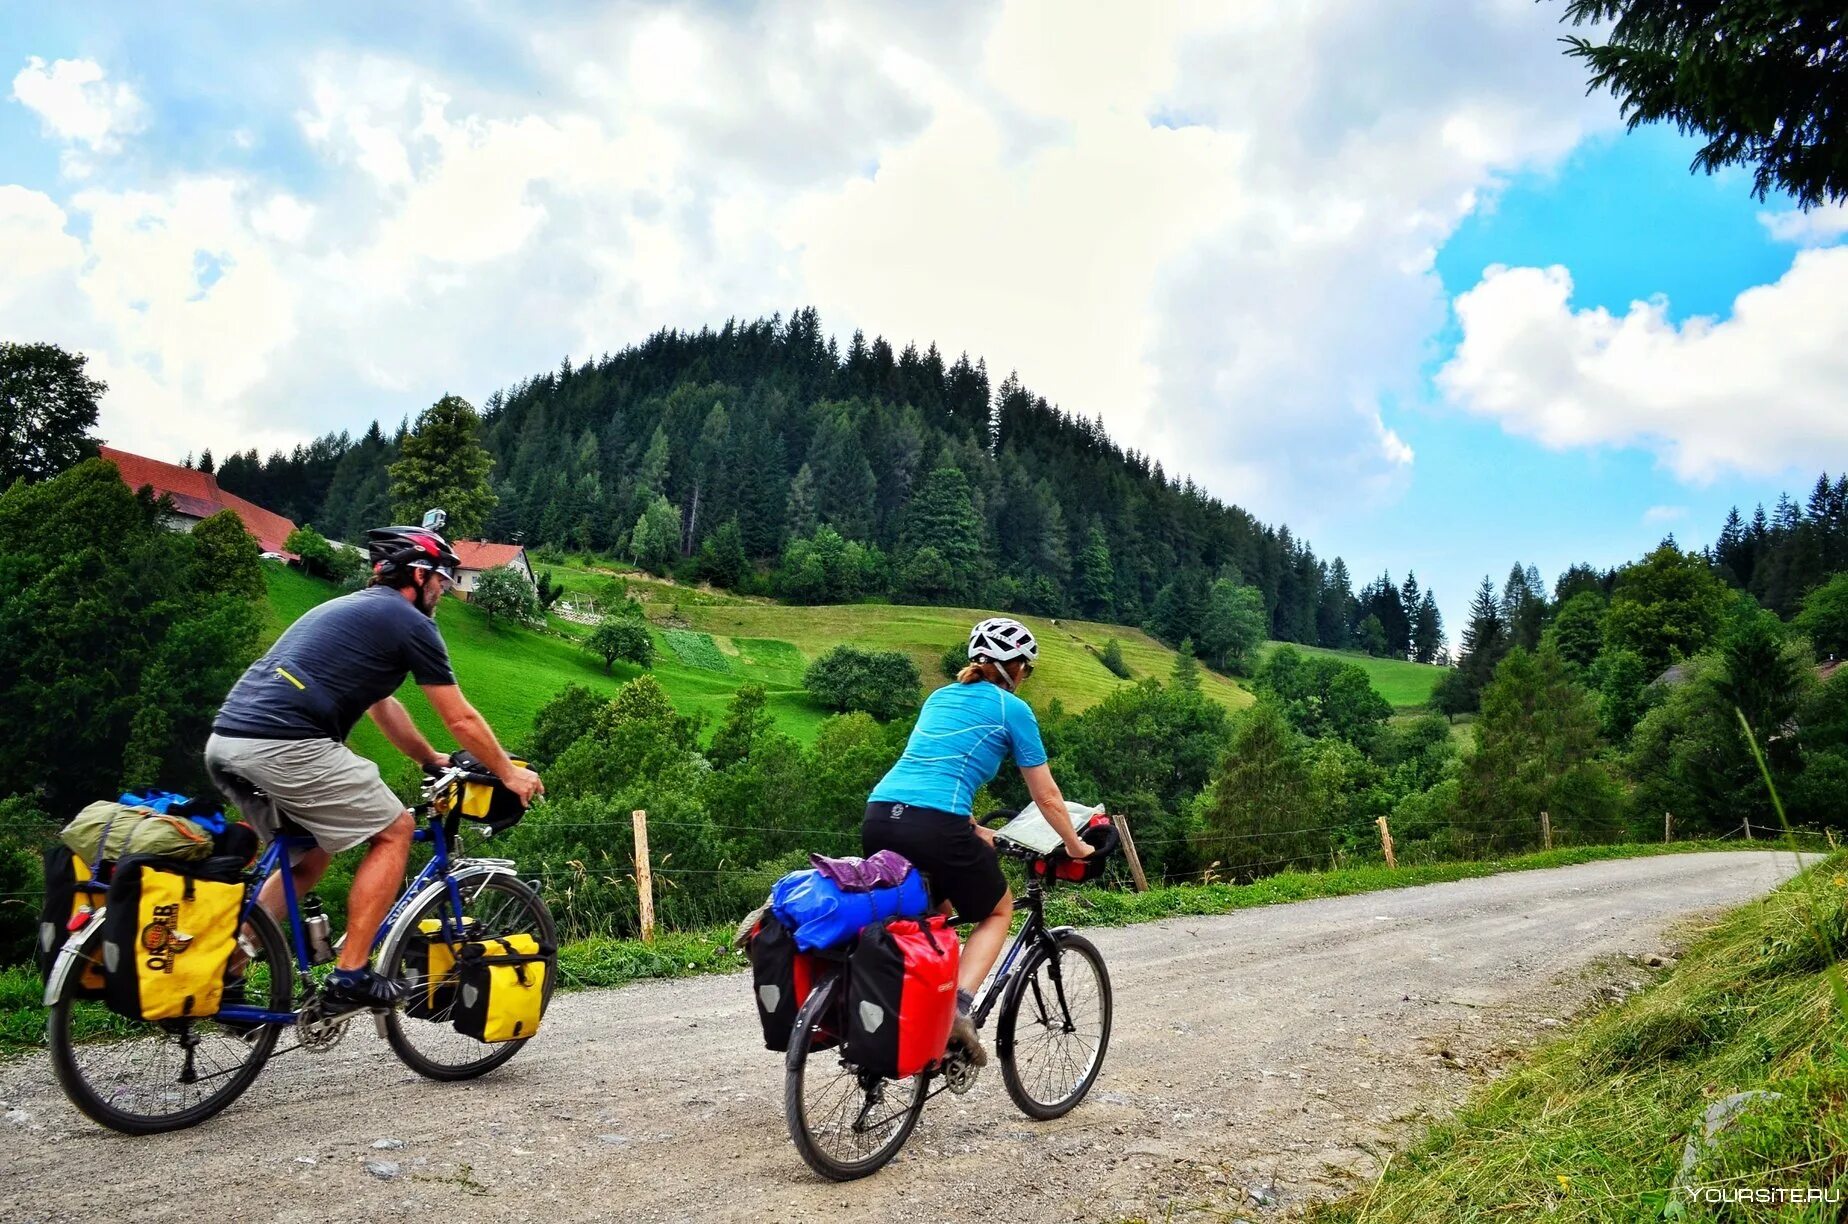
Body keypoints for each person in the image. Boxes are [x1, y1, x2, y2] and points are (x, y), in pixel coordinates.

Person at [204, 521, 543, 1011]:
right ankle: (350, 976)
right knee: (395, 830)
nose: (445, 589)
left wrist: (428, 758)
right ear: (418, 575)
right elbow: (460, 718)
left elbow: (383, 706)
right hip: (286, 743)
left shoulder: (351, 610)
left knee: (310, 856)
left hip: (227, 743)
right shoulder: (411, 623)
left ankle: (226, 971)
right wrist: (509, 773)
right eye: (441, 579)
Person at [863, 616, 1093, 1065]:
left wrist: (973, 829)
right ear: (1016, 668)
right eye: (1028, 668)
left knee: (934, 916)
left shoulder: (939, 697)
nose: (1027, 676)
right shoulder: (1013, 710)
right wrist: (1075, 845)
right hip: (935, 824)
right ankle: (957, 1010)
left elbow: (934, 768)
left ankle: (915, 1009)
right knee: (997, 910)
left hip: (881, 815)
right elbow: (1047, 796)